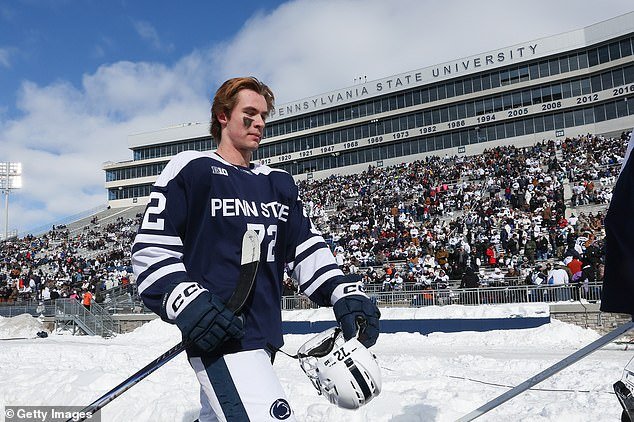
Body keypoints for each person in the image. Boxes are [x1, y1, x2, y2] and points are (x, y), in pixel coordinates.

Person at [131, 77, 381, 422]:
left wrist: (343, 292)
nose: (259, 123)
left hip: (265, 332)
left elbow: (305, 247)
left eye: (263, 115)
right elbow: (152, 248)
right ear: (223, 115)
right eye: (249, 114)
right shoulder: (194, 168)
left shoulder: (277, 182)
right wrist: (186, 301)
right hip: (220, 333)